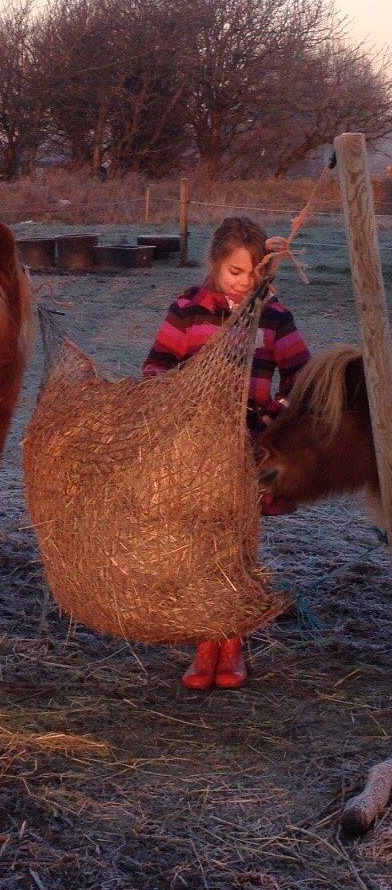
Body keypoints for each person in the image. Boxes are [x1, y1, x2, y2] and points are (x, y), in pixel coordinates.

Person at [142, 216, 310, 691]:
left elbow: (302, 375)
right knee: (198, 546)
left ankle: (231, 644)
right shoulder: (188, 310)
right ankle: (203, 643)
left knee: (237, 546)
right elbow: (156, 364)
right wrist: (179, 397)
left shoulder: (273, 316)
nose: (244, 282)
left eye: (255, 273)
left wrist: (275, 413)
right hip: (193, 447)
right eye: (235, 272)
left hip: (245, 448)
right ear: (215, 265)